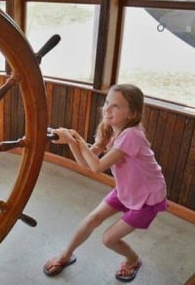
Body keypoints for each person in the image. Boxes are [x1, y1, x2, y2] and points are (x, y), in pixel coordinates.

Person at [43, 84, 167, 282]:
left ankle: (133, 259)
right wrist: (71, 141)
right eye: (107, 102)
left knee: (109, 239)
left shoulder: (132, 135)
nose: (107, 109)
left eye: (116, 106)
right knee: (92, 218)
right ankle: (65, 256)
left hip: (146, 198)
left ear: (132, 113)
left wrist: (77, 140)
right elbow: (86, 163)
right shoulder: (109, 130)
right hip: (126, 189)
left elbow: (97, 167)